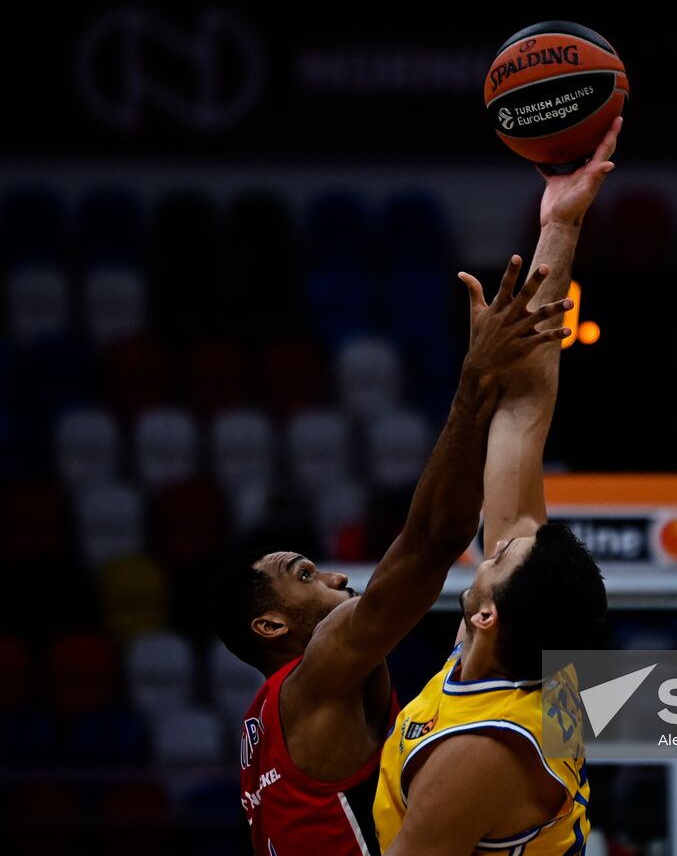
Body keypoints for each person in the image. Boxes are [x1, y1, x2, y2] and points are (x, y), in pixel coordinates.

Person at [212, 254, 575, 856]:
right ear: (271, 624)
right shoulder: (492, 737)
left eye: (493, 561)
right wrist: (475, 378)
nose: (334, 574)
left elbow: (521, 430)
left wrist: (562, 226)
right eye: (305, 574)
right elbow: (438, 538)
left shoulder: (475, 709)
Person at [373, 118, 621, 856]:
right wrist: (561, 223)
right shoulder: (542, 668)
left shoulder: (483, 755)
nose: (500, 538)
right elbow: (524, 407)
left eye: (502, 555)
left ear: (486, 617)